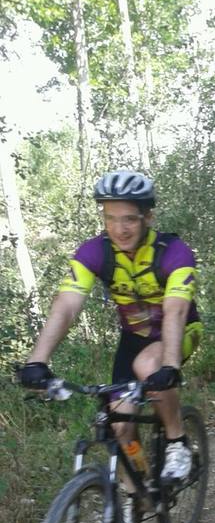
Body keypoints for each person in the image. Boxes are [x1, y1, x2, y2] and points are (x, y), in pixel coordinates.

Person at [18, 170, 203, 493]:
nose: (120, 228)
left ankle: (178, 443)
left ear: (148, 216)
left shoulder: (173, 251)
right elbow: (67, 305)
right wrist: (38, 360)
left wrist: (170, 365)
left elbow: (175, 309)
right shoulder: (95, 252)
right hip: (133, 340)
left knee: (149, 365)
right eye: (111, 218)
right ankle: (141, 491)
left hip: (179, 332)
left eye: (130, 219)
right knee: (119, 427)